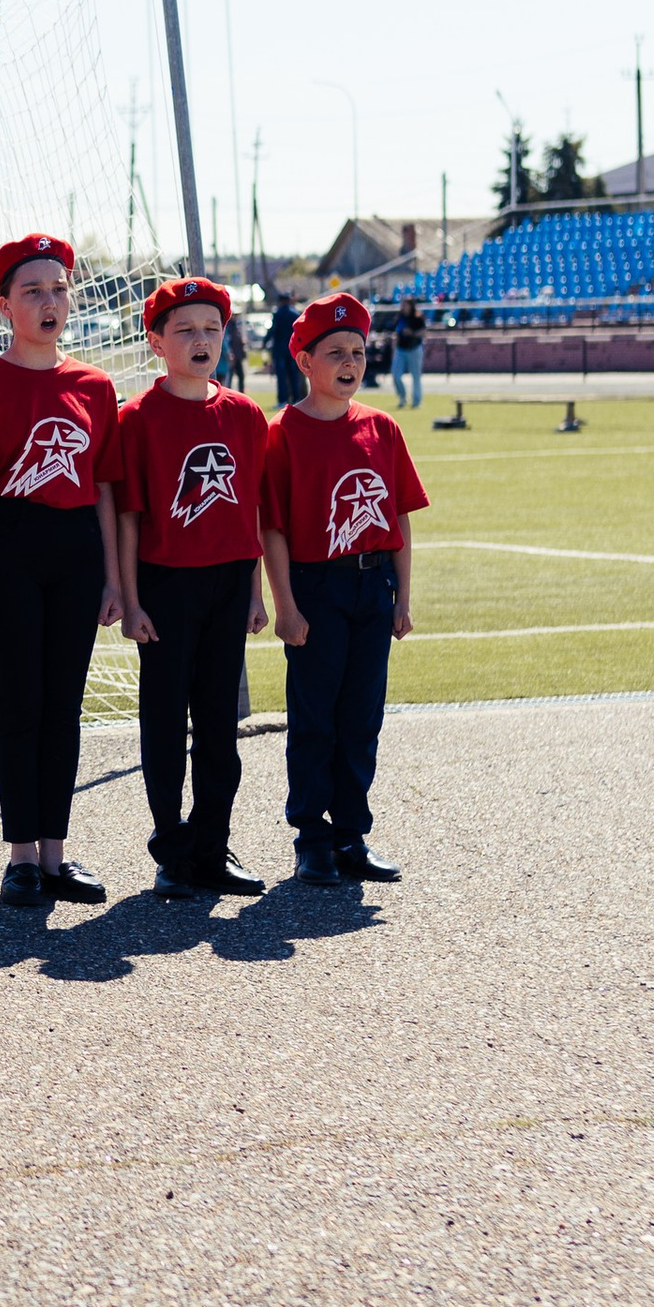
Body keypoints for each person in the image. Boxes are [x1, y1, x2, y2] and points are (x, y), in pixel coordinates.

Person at [0, 233, 121, 908]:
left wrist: (113, 576)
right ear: (3, 304)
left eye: (58, 288)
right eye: (32, 291)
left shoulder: (95, 385)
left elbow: (107, 488)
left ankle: (55, 853)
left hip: (77, 545)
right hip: (10, 542)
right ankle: (21, 855)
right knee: (21, 702)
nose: (49, 302)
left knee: (64, 704)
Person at [259, 290, 429, 887]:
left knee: (362, 716)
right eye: (335, 353)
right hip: (315, 586)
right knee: (315, 719)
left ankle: (352, 834)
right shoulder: (281, 433)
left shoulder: (381, 428)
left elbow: (400, 518)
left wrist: (403, 598)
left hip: (371, 583)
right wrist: (285, 605)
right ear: (304, 361)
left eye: (357, 351)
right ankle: (312, 838)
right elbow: (272, 527)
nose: (350, 363)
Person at [112, 280, 269, 899]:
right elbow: (127, 516)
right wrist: (129, 598)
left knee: (218, 725)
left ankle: (213, 844)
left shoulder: (245, 415)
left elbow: (251, 510)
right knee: (163, 719)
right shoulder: (136, 418)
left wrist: (255, 592)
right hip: (165, 583)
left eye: (211, 328)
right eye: (185, 330)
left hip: (229, 583)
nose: (200, 340)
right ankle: (170, 847)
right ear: (156, 342)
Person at [391, 293, 427, 407]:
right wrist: (394, 349)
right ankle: (402, 397)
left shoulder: (417, 317)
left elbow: (423, 332)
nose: (404, 307)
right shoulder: (400, 317)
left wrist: (412, 333)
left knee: (416, 376)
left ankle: (416, 401)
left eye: (406, 305)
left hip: (414, 349)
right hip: (401, 349)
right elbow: (396, 333)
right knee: (396, 374)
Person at [266, 293, 301, 411]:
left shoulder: (278, 314)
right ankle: (296, 399)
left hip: (279, 349)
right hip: (293, 349)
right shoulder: (295, 313)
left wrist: (265, 341)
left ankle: (283, 400)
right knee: (293, 375)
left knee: (281, 377)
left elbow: (273, 330)